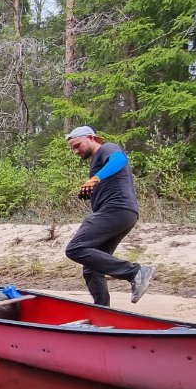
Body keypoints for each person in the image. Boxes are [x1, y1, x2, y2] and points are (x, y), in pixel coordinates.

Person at [63, 125, 154, 306]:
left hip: (117, 210)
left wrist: (95, 179)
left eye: (77, 145)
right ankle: (102, 311)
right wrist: (93, 190)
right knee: (92, 266)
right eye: (72, 148)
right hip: (123, 213)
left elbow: (120, 160)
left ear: (91, 138)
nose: (75, 151)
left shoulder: (107, 148)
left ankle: (134, 272)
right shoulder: (97, 160)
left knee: (75, 248)